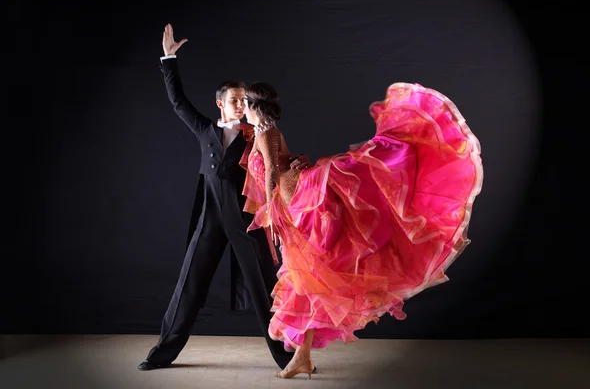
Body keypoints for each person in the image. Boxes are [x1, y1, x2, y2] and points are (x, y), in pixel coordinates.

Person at [240, 81, 484, 379]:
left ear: (254, 107)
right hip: (295, 198)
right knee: (307, 276)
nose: (242, 110)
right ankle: (302, 357)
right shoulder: (266, 132)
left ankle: (301, 358)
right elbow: (282, 162)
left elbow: (270, 172)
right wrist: (294, 164)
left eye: (244, 104)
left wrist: (269, 210)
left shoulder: (265, 133)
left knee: (309, 274)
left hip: (298, 203)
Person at [137, 24, 312, 372]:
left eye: (245, 100)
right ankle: (161, 354)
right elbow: (177, 102)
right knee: (189, 282)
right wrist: (168, 57)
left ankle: (287, 357)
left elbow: (279, 160)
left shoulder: (256, 134)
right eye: (234, 100)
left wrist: (292, 159)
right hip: (210, 216)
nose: (241, 105)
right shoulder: (205, 129)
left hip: (247, 218)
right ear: (220, 104)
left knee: (265, 287)